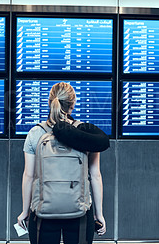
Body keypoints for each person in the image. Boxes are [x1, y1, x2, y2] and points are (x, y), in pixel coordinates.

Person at [17, 82, 109, 244]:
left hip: (42, 212)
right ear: (73, 104)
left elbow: (29, 176)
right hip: (79, 212)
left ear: (50, 102)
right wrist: (99, 215)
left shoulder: (35, 133)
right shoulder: (85, 133)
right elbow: (95, 176)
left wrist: (25, 211)